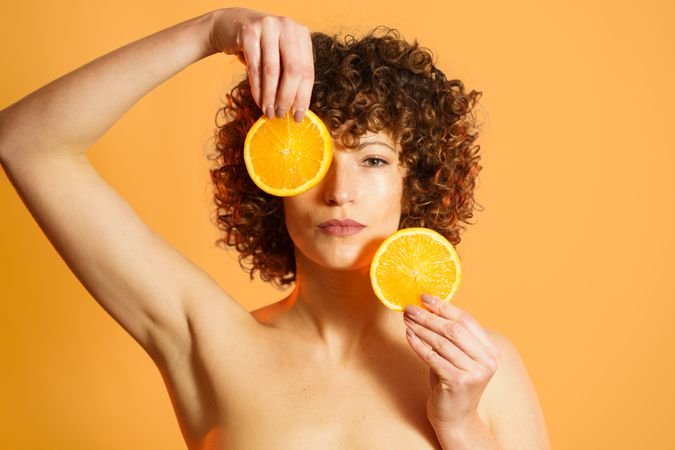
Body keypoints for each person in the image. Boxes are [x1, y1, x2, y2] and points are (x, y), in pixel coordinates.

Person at [0, 7, 551, 450]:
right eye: (310, 159)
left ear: (418, 182)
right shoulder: (211, 342)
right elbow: (26, 144)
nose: (339, 189)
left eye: (374, 160)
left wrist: (460, 427)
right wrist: (211, 30)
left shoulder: (479, 368)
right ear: (270, 180)